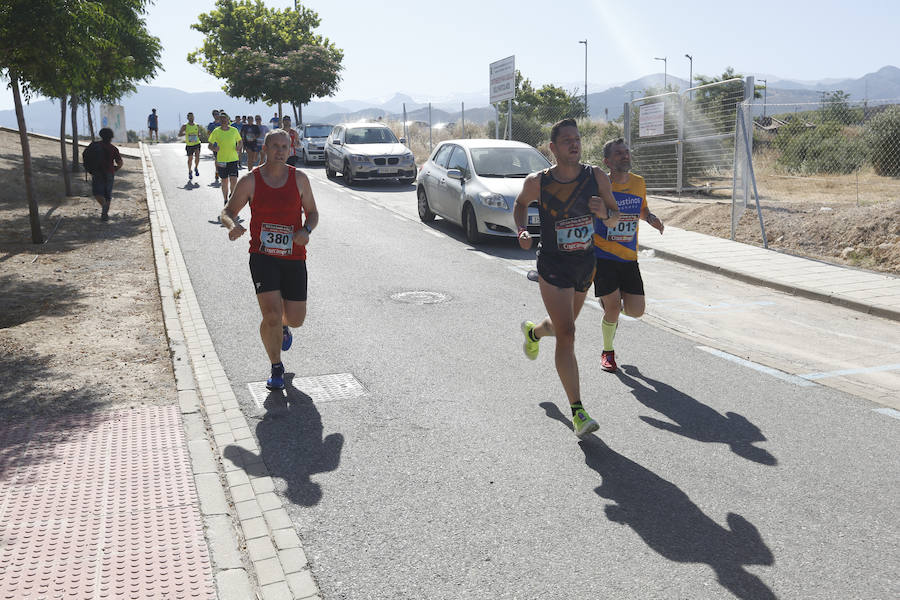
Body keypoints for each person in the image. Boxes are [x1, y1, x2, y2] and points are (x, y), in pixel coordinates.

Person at [514, 118, 620, 438]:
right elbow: (520, 205)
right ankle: (578, 412)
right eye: (566, 140)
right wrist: (522, 229)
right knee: (568, 333)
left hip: (584, 264)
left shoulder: (595, 176)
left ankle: (534, 332)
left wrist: (604, 213)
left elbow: (615, 218)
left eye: (577, 139)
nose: (574, 144)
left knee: (562, 326)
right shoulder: (538, 182)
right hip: (553, 264)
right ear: (553, 148)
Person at [220, 129, 319, 390]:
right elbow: (227, 211)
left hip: (294, 256)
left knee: (295, 318)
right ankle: (276, 367)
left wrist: (306, 230)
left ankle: (285, 327)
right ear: (265, 149)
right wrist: (232, 225)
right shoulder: (250, 181)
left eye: (284, 147)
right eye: (275, 146)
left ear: (290, 150)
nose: (279, 151)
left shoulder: (299, 179)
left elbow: (312, 213)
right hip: (262, 257)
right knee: (271, 315)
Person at [592, 138, 664, 373]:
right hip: (603, 255)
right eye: (619, 153)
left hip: (629, 257)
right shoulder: (601, 185)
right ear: (607, 161)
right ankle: (608, 352)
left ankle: (610, 306)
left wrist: (651, 219)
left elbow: (642, 209)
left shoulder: (638, 183)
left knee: (636, 311)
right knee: (613, 308)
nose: (625, 156)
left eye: (626, 152)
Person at [84, 127, 124, 221]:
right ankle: (105, 212)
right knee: (107, 194)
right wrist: (116, 168)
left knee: (97, 193)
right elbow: (120, 163)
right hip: (109, 172)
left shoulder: (94, 146)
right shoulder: (113, 148)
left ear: (101, 135)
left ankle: (104, 207)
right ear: (111, 137)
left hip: (97, 172)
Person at [207, 112, 243, 215]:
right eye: (221, 119)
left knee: (234, 180)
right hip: (222, 160)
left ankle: (231, 197)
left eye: (225, 119)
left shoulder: (234, 130)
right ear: (219, 121)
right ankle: (225, 199)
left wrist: (238, 147)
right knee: (224, 182)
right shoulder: (216, 131)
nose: (223, 121)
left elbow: (240, 141)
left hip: (233, 159)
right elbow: (209, 145)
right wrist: (214, 148)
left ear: (228, 120)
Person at [179, 112, 202, 182]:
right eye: (190, 117)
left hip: (197, 143)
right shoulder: (185, 126)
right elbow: (179, 134)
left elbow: (198, 134)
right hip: (189, 145)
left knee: (197, 156)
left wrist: (199, 135)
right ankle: (190, 171)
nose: (191, 118)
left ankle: (196, 168)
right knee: (190, 159)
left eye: (192, 116)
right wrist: (186, 133)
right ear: (187, 118)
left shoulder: (197, 125)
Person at [207, 110, 221, 185]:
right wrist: (211, 141)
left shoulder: (222, 123)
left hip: (224, 144)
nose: (216, 115)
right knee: (217, 159)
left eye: (217, 114)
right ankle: (217, 171)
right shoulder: (211, 125)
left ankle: (223, 171)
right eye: (215, 114)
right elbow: (208, 134)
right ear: (213, 116)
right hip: (215, 145)